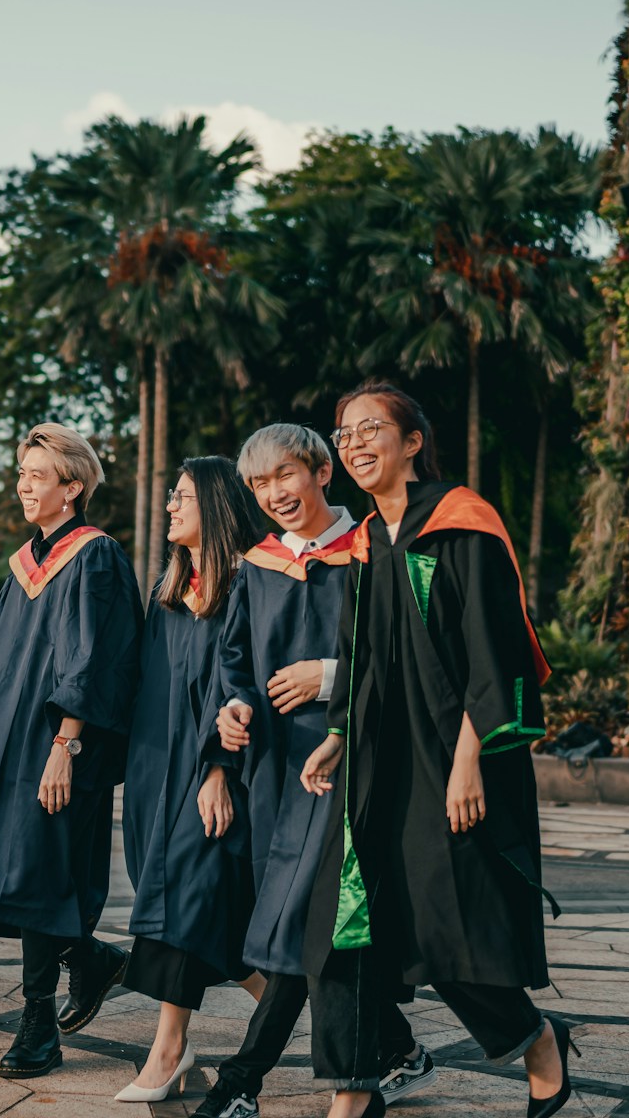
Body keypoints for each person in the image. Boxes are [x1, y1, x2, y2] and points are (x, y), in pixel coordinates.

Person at [300, 384, 576, 1118]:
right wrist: (337, 735)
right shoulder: (364, 543)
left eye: (371, 430)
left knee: (450, 926)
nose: (353, 444)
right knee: (339, 924)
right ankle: (352, 1096)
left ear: (412, 441)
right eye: (343, 433)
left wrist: (467, 764)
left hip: (452, 759)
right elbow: (355, 653)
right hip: (375, 762)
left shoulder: (462, 524)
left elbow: (495, 656)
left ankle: (536, 1039)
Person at [194, 425, 431, 1118]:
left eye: (285, 477)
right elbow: (232, 659)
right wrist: (233, 708)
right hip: (275, 767)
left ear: (322, 470)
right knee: (316, 925)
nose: (275, 495)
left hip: (349, 762)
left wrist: (331, 676)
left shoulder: (370, 551)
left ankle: (243, 1080)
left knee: (309, 919)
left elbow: (405, 653)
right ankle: (399, 1049)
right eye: (261, 486)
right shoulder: (260, 565)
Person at [0, 423, 142, 1080]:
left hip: (53, 752)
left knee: (41, 880)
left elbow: (94, 658)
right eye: (21, 474)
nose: (24, 485)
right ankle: (90, 957)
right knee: (9, 879)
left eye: (38, 476)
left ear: (72, 487)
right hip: (5, 752)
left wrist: (66, 745)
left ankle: (38, 1025)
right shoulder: (27, 562)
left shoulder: (95, 556)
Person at [115, 458, 269, 1103]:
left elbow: (244, 691)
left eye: (181, 497)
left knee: (180, 904)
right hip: (157, 774)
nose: (171, 507)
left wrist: (218, 771)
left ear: (216, 503)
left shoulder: (250, 586)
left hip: (211, 774)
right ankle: (387, 1038)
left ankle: (169, 1051)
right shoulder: (170, 592)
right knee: (227, 939)